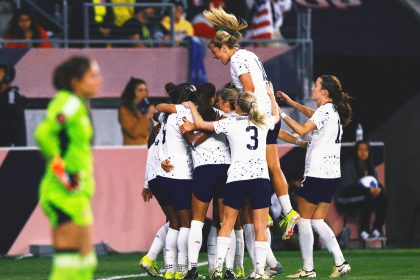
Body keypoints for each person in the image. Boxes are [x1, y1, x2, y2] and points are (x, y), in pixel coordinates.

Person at [203, 6, 300, 241]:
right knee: (269, 166)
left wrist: (242, 117)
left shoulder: (237, 60)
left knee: (257, 166)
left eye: (217, 54)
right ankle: (284, 211)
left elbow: (249, 88)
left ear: (224, 47)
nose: (217, 59)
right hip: (267, 114)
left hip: (257, 116)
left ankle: (281, 212)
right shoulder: (250, 55)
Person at [181, 83, 280, 279]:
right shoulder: (263, 122)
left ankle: (218, 267)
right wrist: (271, 96)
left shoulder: (230, 123)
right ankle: (259, 271)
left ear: (236, 106)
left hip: (236, 178)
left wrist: (192, 108)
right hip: (260, 178)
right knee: (260, 227)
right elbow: (276, 116)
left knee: (226, 224)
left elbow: (201, 125)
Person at [276, 75, 352, 278]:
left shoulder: (325, 110)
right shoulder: (332, 110)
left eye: (316, 85)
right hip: (332, 174)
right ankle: (340, 261)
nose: (312, 87)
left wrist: (281, 114)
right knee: (317, 221)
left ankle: (308, 269)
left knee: (303, 220)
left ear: (324, 92)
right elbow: (313, 114)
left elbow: (301, 130)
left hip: (317, 173)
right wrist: (292, 103)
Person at [34, 56, 101, 280]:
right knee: (68, 265)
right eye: (92, 75)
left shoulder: (79, 105)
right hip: (62, 194)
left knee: (86, 262)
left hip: (78, 195)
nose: (99, 79)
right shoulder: (68, 103)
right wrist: (63, 175)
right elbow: (43, 134)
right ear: (76, 82)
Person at [340, 139, 387, 241]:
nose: (363, 152)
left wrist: (379, 189)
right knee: (368, 197)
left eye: (365, 150)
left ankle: (377, 229)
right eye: (360, 150)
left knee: (383, 197)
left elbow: (375, 183)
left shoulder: (370, 165)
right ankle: (364, 231)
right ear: (355, 151)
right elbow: (347, 189)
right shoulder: (349, 165)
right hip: (347, 198)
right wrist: (367, 190)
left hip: (364, 196)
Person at [118, 77, 156, 146]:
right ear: (132, 92)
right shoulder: (124, 110)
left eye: (145, 90)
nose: (144, 93)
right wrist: (147, 115)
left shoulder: (146, 107)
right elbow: (134, 132)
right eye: (140, 90)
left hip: (149, 145)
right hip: (134, 147)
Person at [0, 64, 26, 147]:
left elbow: (14, 127)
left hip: (8, 149)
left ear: (7, 77)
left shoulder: (13, 96)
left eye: (0, 72)